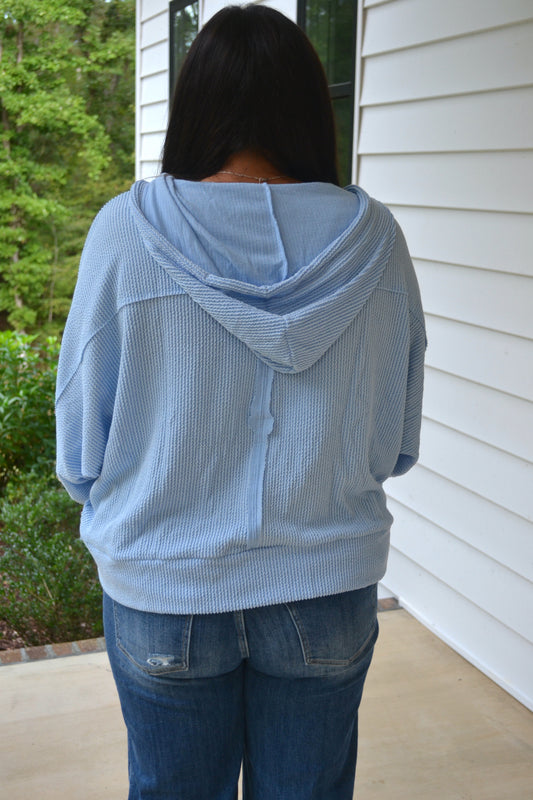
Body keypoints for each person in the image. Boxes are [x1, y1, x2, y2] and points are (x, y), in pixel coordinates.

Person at [55, 5, 426, 799]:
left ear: (196, 106)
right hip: (325, 581)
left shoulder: (126, 232)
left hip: (164, 582)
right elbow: (396, 439)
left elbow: (81, 448)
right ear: (310, 108)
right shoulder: (376, 239)